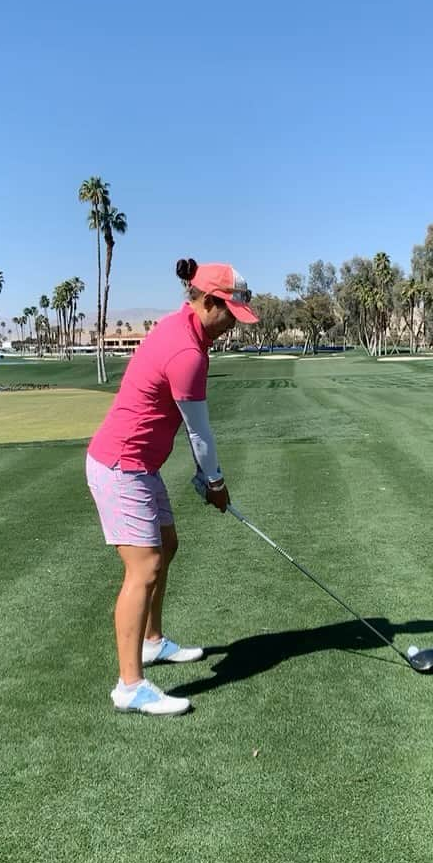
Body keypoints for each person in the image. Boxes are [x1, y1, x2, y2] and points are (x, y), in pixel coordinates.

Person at [86, 258, 259, 716]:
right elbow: (199, 433)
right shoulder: (188, 354)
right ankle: (129, 686)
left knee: (168, 543)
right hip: (122, 466)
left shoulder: (180, 327)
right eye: (230, 316)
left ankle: (152, 641)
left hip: (139, 465)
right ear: (207, 302)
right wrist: (216, 484)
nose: (232, 327)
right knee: (143, 568)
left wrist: (208, 479)